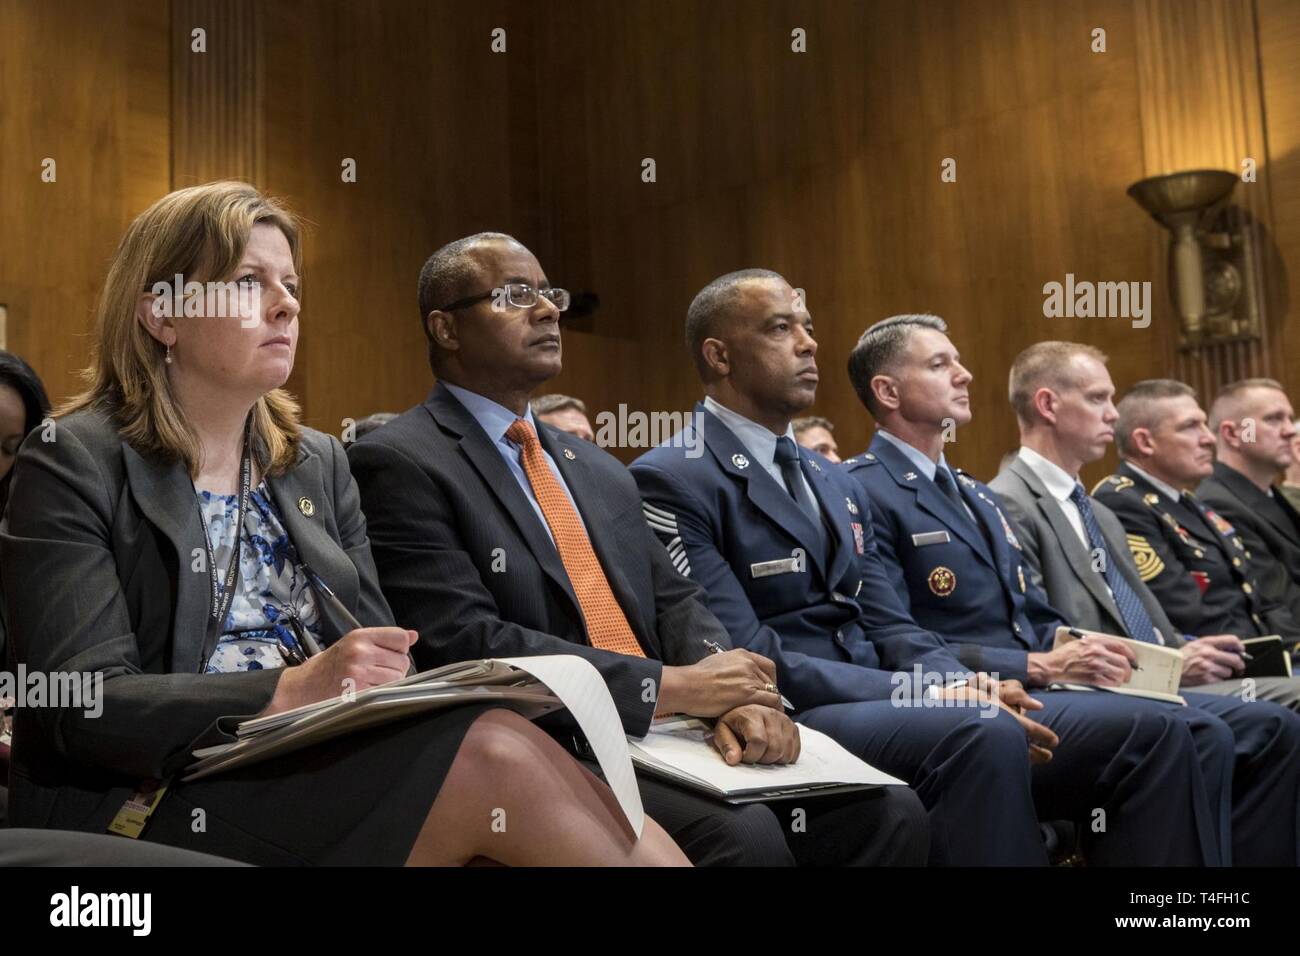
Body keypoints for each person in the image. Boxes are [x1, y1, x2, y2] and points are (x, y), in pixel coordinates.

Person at [0, 184, 688, 867]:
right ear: (163, 315)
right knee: (492, 756)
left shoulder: (316, 462)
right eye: (248, 282)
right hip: (152, 795)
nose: (287, 302)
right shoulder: (74, 459)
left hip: (320, 759)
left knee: (507, 740)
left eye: (291, 284)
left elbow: (386, 649)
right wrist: (290, 689)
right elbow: (78, 703)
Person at [350, 233, 929, 867]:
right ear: (446, 328)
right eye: (516, 296)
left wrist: (740, 696)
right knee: (745, 838)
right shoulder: (401, 459)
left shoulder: (595, 466)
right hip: (553, 738)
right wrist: (668, 687)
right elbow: (465, 643)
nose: (546, 311)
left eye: (549, 295)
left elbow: (678, 600)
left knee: (887, 814)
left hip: (668, 730)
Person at [627, 269, 1213, 866]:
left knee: (1154, 730)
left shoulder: (827, 476)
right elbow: (744, 654)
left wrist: (967, 681)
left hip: (888, 696)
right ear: (719, 355)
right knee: (979, 730)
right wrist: (936, 690)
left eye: (807, 327)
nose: (808, 343)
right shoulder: (674, 476)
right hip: (801, 705)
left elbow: (889, 623)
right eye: (780, 328)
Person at [840, 314, 1299, 866]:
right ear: (888, 391)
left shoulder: (974, 497)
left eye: (958, 361)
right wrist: (1035, 664)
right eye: (940, 365)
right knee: (1179, 732)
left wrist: (1090, 650)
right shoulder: (861, 489)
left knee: (1264, 724)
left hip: (1035, 683)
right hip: (970, 693)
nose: (964, 375)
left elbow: (1034, 615)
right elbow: (895, 636)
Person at [991, 347, 1300, 711]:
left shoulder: (1097, 511)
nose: (1113, 413)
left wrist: (1182, 652)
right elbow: (1045, 634)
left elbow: (1148, 621)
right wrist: (1174, 665)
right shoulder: (1007, 501)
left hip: (1156, 680)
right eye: (1097, 398)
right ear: (1048, 405)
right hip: (1099, 692)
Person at [1094, 379, 1300, 648]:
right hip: (1217, 663)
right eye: (1190, 426)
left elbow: (1260, 599)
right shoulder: (1124, 500)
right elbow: (1185, 610)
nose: (1208, 438)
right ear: (1145, 442)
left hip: (1262, 653)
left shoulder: (1190, 502)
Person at [1197, 379, 1300, 625]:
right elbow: (1278, 599)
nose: (1289, 430)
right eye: (1273, 419)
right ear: (1234, 434)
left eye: (1289, 418)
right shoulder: (1219, 503)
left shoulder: (1270, 494)